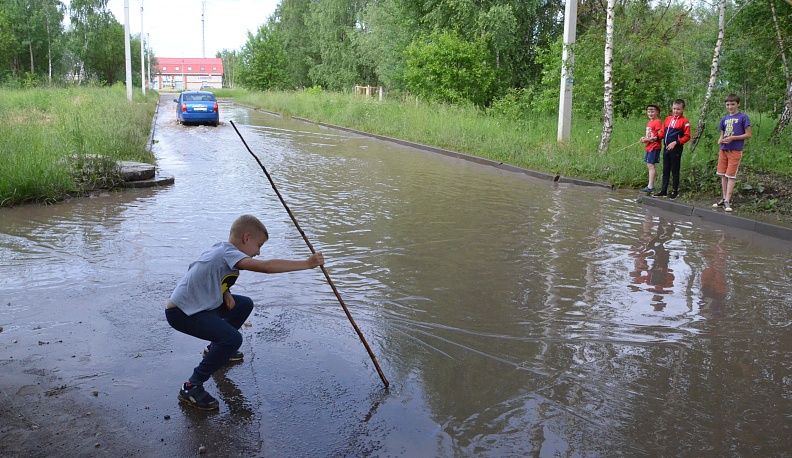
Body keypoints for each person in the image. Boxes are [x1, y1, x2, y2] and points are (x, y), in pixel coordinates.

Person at [166, 214, 324, 410]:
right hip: (183, 313)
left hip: (200, 305)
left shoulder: (221, 249)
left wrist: (225, 292)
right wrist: (307, 264)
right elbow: (266, 267)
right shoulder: (229, 253)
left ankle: (215, 350)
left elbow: (206, 274)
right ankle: (191, 386)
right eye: (259, 245)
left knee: (244, 304)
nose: (258, 252)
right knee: (232, 339)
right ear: (246, 237)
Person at [712, 94, 752, 212]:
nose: (730, 107)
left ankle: (728, 201)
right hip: (724, 149)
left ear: (738, 104)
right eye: (728, 104)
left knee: (731, 175)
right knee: (723, 174)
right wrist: (720, 140)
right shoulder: (724, 119)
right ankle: (724, 198)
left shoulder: (743, 117)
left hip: (735, 150)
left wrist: (733, 138)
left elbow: (748, 134)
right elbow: (722, 134)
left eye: (732, 104)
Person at [655, 100, 691, 199]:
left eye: (678, 109)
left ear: (683, 109)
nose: (676, 111)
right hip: (666, 147)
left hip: (676, 149)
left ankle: (675, 191)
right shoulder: (668, 119)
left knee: (675, 170)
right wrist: (656, 138)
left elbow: (687, 136)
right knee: (665, 169)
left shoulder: (685, 121)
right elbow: (662, 133)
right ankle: (663, 191)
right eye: (674, 109)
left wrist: (676, 142)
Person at [639, 104, 664, 194]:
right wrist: (644, 138)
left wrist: (647, 140)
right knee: (649, 165)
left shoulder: (658, 122)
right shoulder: (649, 122)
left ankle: (650, 186)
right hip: (649, 146)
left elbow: (659, 136)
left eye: (652, 111)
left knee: (651, 165)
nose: (650, 113)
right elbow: (650, 134)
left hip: (654, 146)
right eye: (649, 111)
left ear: (657, 112)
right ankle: (650, 185)